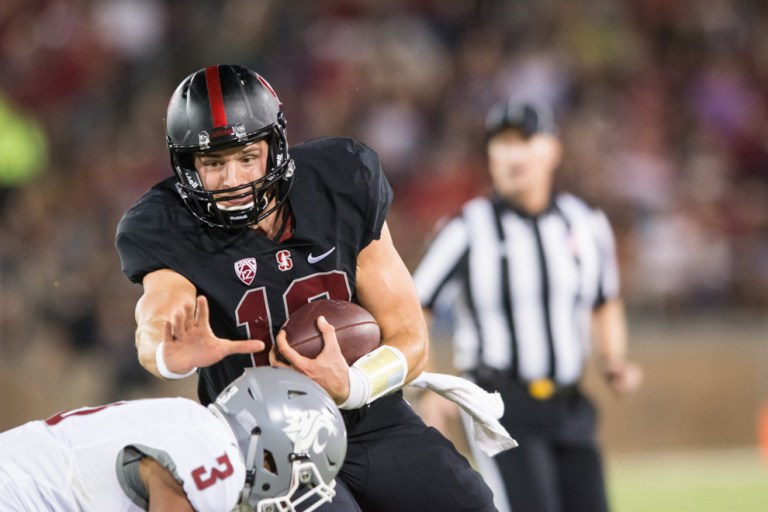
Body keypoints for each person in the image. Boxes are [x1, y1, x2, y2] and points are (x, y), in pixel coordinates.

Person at [115, 64, 497, 512]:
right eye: (213, 164)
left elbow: (411, 339)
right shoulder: (167, 222)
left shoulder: (341, 181)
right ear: (187, 167)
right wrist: (166, 351)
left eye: (246, 157)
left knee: (471, 503)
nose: (233, 179)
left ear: (275, 147)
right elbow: (157, 312)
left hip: (370, 416)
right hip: (265, 440)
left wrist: (352, 384)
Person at [412, 99, 644, 512]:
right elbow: (412, 309)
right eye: (501, 143)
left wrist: (613, 359)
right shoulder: (467, 228)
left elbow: (605, 301)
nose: (512, 153)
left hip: (569, 402)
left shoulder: (586, 222)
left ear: (552, 149)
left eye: (524, 140)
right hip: (499, 402)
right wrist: (425, 385)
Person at [0, 366, 347, 512]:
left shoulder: (195, 425)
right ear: (273, 453)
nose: (290, 492)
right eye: (299, 475)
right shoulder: (219, 456)